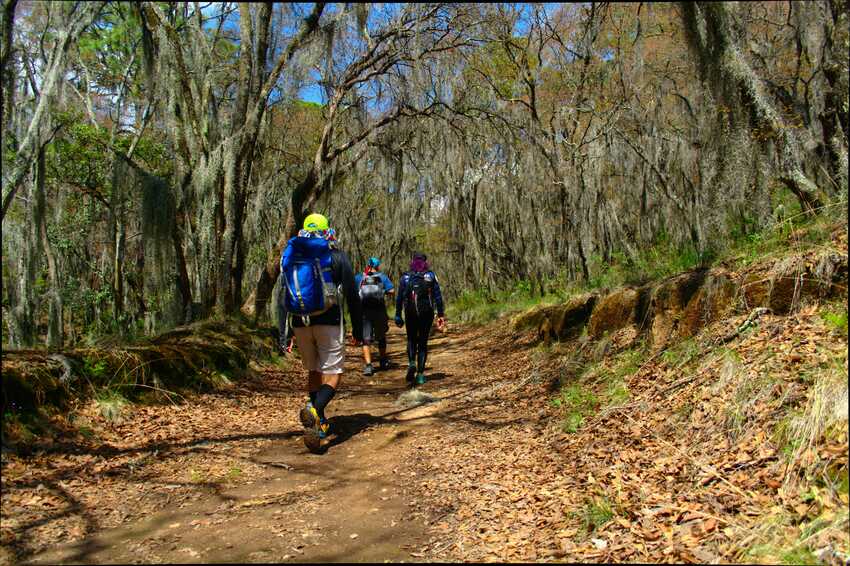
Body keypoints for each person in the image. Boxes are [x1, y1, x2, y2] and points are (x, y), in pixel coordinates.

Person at [277, 213, 363, 453]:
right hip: (329, 321)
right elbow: (352, 295)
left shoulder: (291, 255)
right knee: (333, 374)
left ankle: (319, 424)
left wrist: (284, 333)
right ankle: (314, 410)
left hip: (300, 322)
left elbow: (282, 297)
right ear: (327, 231)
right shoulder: (335, 255)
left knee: (314, 371)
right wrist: (358, 329)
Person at [395, 252, 446, 386]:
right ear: (425, 262)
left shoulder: (405, 277)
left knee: (411, 339)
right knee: (423, 342)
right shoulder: (430, 276)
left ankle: (412, 363)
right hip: (426, 313)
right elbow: (438, 296)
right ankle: (421, 375)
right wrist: (440, 314)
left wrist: (398, 314)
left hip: (410, 313)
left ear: (412, 261)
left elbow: (399, 298)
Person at [354, 257, 395, 376]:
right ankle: (383, 360)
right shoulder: (382, 277)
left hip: (364, 312)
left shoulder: (359, 277)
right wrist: (383, 291)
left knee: (365, 339)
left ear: (368, 265)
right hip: (379, 311)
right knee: (381, 336)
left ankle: (368, 365)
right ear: (377, 266)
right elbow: (392, 290)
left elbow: (352, 292)